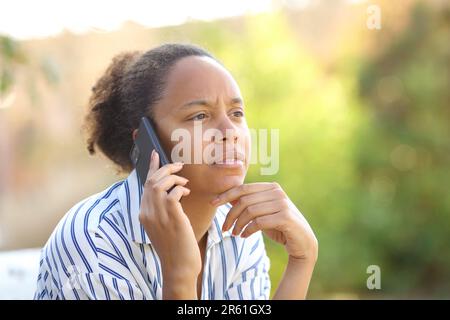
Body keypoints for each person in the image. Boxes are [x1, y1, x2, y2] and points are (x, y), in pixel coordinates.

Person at [34, 43, 318, 300]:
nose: (229, 132)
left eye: (236, 114)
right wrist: (180, 277)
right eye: (199, 116)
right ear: (147, 142)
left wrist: (302, 260)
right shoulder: (93, 242)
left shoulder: (240, 231)